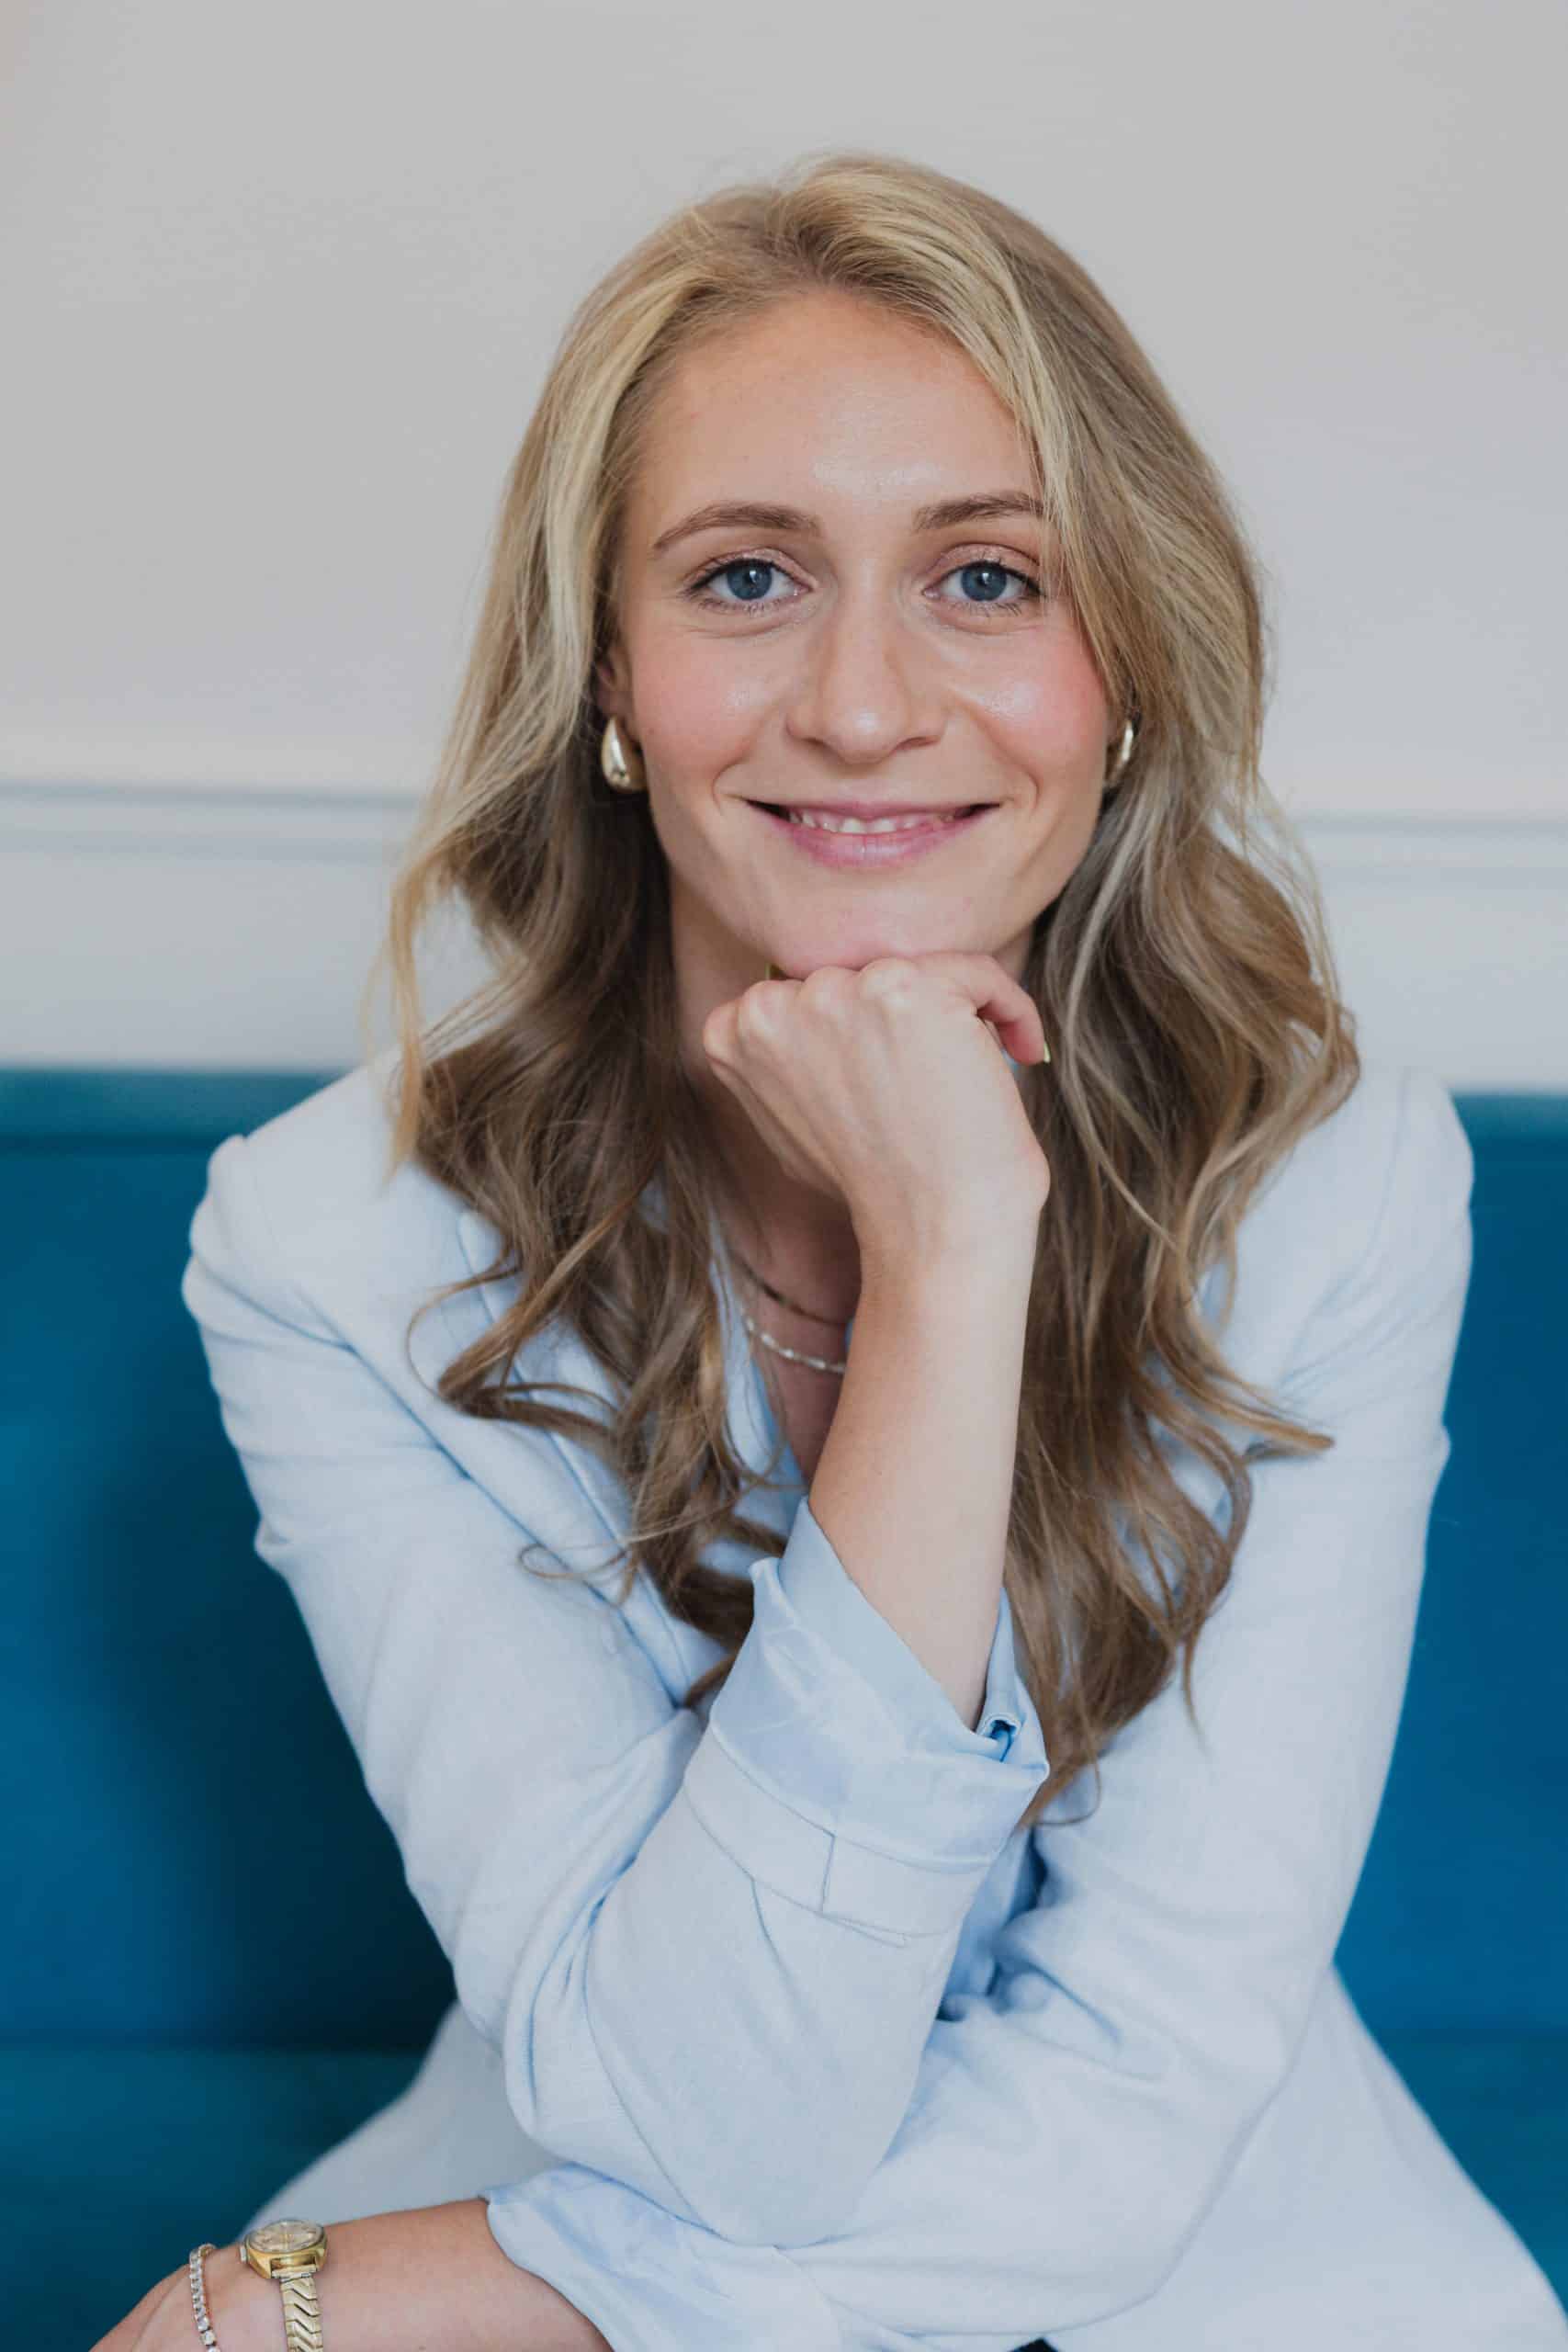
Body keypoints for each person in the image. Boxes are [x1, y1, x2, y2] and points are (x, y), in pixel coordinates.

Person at [130, 150, 1567, 2352]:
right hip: (624, 2136)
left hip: (1226, 2249)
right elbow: (721, 2126)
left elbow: (1144, 2076)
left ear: (1124, 663)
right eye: (744, 578)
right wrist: (945, 1265)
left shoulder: (1328, 1176)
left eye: (986, 576)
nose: (866, 704)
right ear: (607, 675)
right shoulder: (331, 1245)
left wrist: (445, 2294)